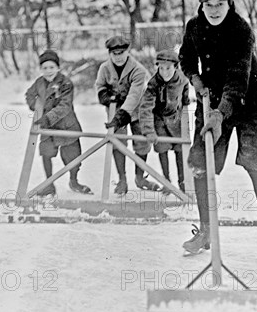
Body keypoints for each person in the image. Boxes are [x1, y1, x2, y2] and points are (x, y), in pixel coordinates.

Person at [179, 0, 257, 259]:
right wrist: (195, 78)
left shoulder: (241, 30)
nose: (214, 10)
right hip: (212, 101)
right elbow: (185, 58)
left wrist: (220, 115)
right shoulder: (194, 27)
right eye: (208, 5)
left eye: (219, 5)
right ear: (202, 6)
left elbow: (237, 80)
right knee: (200, 162)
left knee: (255, 164)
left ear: (229, 4)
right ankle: (205, 230)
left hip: (248, 104)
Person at [95, 35, 159, 195]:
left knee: (141, 141)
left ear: (127, 52)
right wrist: (103, 95)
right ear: (110, 53)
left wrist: (121, 116)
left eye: (121, 53)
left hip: (137, 109)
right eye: (114, 53)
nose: (118, 57)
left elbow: (134, 96)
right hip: (115, 109)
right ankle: (122, 179)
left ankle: (140, 177)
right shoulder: (104, 68)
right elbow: (100, 85)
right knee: (118, 141)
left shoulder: (138, 69)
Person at [25, 50, 92, 198]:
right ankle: (49, 184)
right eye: (45, 68)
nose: (48, 71)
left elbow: (64, 106)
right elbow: (29, 95)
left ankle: (74, 181)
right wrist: (36, 106)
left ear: (58, 68)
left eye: (51, 67)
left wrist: (47, 117)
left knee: (72, 157)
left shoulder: (66, 83)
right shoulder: (39, 83)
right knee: (46, 153)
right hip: (47, 126)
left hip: (66, 125)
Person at [139, 49, 189, 193]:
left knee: (180, 150)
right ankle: (166, 182)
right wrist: (149, 131)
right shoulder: (153, 83)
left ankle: (182, 182)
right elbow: (145, 108)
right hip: (159, 120)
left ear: (175, 67)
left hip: (175, 119)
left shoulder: (182, 79)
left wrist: (184, 102)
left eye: (168, 68)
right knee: (163, 149)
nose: (164, 72)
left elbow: (185, 90)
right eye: (161, 68)